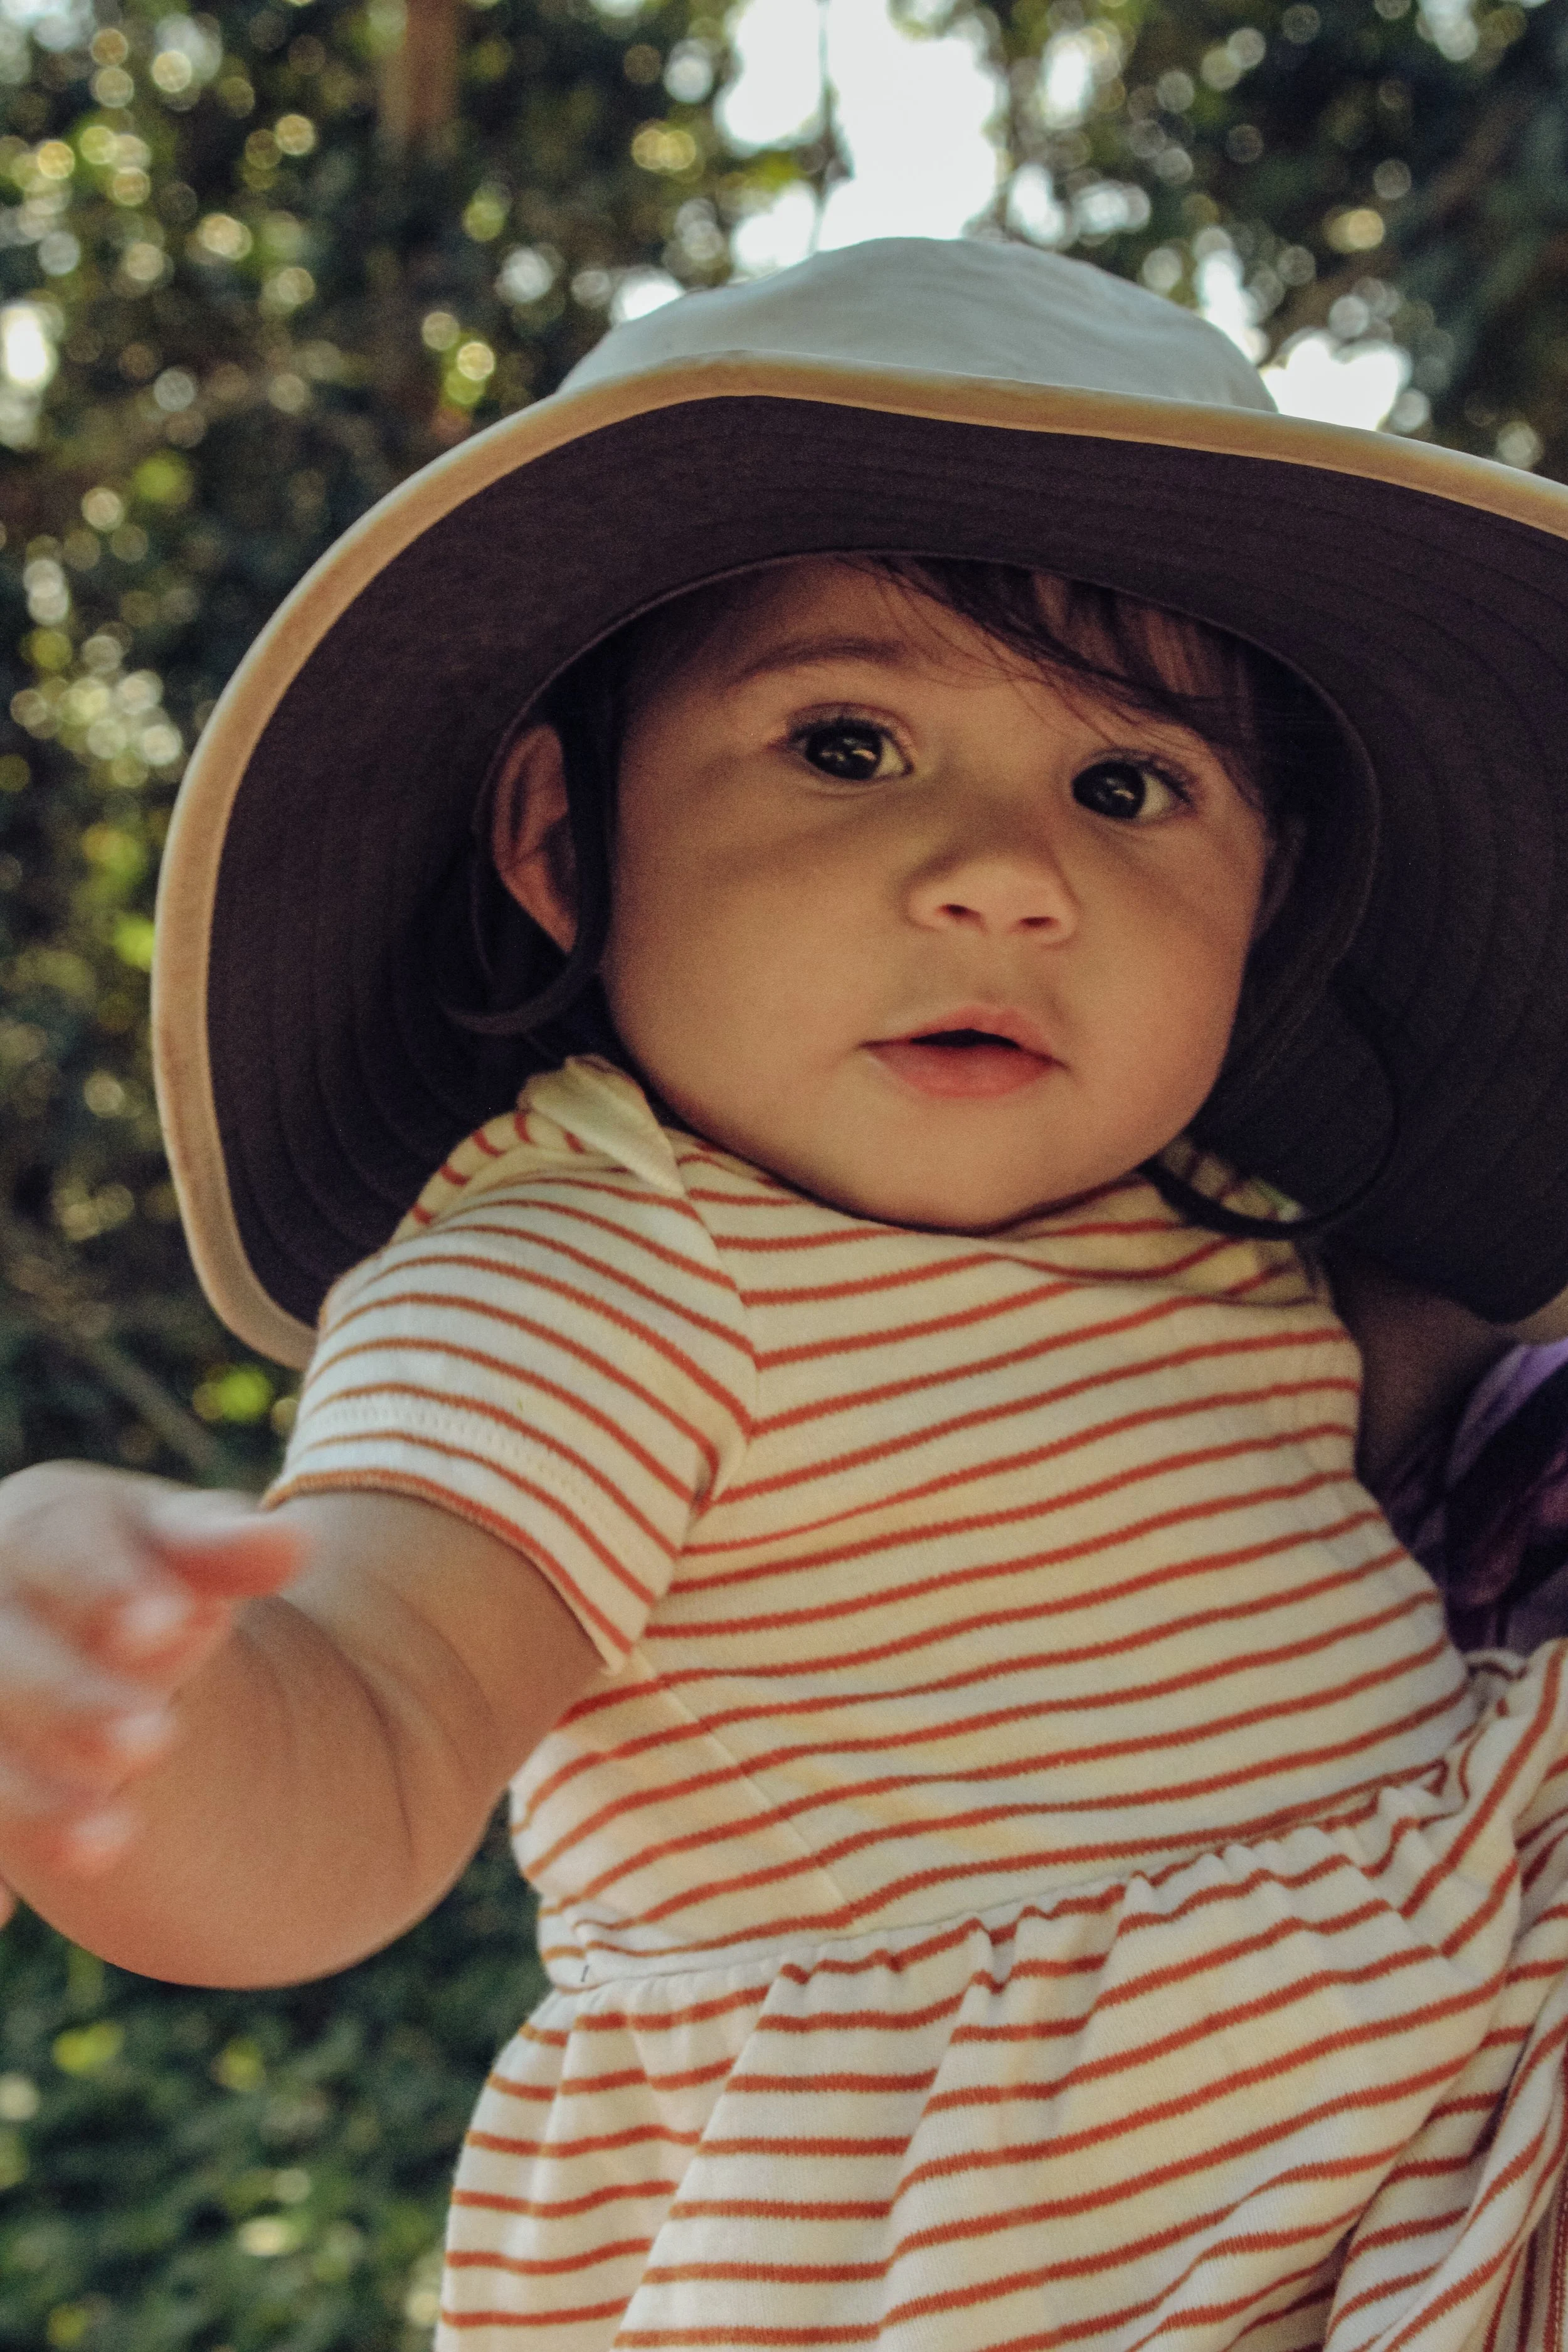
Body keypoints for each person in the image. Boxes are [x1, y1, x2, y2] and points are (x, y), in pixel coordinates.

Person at [4, 238, 1568, 2348]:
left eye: (1129, 788)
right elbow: (370, 1719)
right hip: (1059, 2258)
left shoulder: (1224, 1233)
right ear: (568, 840)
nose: (1013, 871)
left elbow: (1491, 1414)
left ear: (1260, 890)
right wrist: (136, 1727)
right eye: (848, 743)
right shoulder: (593, 1262)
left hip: (1481, 2099)